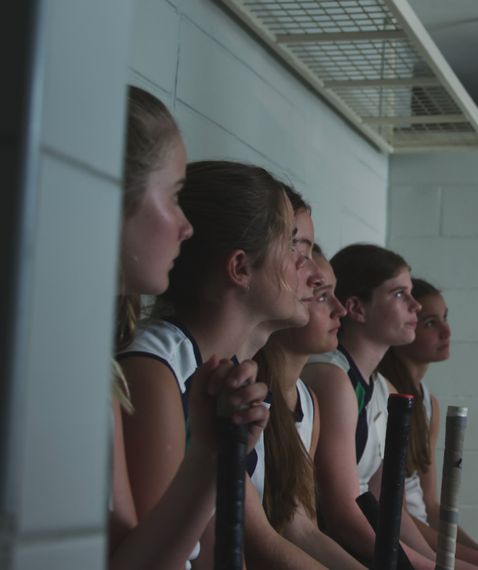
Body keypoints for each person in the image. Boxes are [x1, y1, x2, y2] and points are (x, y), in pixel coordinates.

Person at [118, 160, 328, 568]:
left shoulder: (229, 375)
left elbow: (224, 549)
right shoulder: (157, 370)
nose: (313, 270)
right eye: (293, 246)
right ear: (240, 268)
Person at [109, 86, 270, 569]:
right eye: (174, 198)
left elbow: (128, 561)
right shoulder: (141, 364)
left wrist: (209, 454)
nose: (186, 226)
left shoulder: (94, 368)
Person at [302, 245, 478, 570]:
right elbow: (341, 515)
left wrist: (437, 562)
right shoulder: (332, 377)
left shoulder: (385, 389)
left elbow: (389, 502)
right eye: (400, 294)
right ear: (356, 308)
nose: (415, 305)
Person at [377, 279, 478, 570]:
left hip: (423, 536)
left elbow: (432, 507)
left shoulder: (429, 403)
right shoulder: (387, 399)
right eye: (430, 323)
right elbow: (397, 515)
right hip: (399, 542)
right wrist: (475, 562)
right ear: (408, 324)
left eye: (446, 318)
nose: (446, 331)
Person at [258, 227, 368, 569]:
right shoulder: (248, 390)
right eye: (321, 295)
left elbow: (302, 528)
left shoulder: (308, 400)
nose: (340, 310)